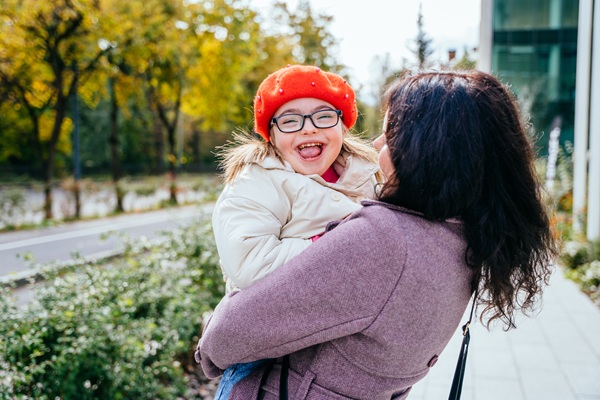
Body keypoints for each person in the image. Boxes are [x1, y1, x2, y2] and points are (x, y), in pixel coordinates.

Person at [195, 70, 558, 399]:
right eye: (290, 120)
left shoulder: (380, 236)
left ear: (428, 148)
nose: (379, 144)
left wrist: (209, 346)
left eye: (393, 132)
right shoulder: (461, 237)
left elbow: (225, 336)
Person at [210, 64, 382, 399]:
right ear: (271, 135)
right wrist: (338, 243)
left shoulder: (368, 175)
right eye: (290, 120)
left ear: (343, 126)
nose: (308, 129)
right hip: (266, 350)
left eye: (323, 116)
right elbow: (250, 264)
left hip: (337, 345)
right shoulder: (258, 179)